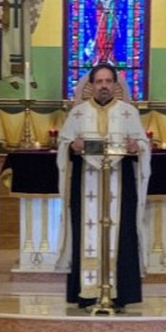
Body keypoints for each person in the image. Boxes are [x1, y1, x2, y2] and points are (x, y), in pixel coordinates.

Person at [56, 64, 151, 310]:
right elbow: (64, 144)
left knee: (123, 235)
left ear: (116, 85)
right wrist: (71, 147)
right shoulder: (77, 114)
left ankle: (120, 295)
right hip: (85, 184)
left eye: (109, 81)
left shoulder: (129, 112)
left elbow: (142, 143)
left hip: (121, 186)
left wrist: (136, 147)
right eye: (99, 82)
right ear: (92, 85)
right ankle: (87, 294)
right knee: (85, 233)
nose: (104, 86)